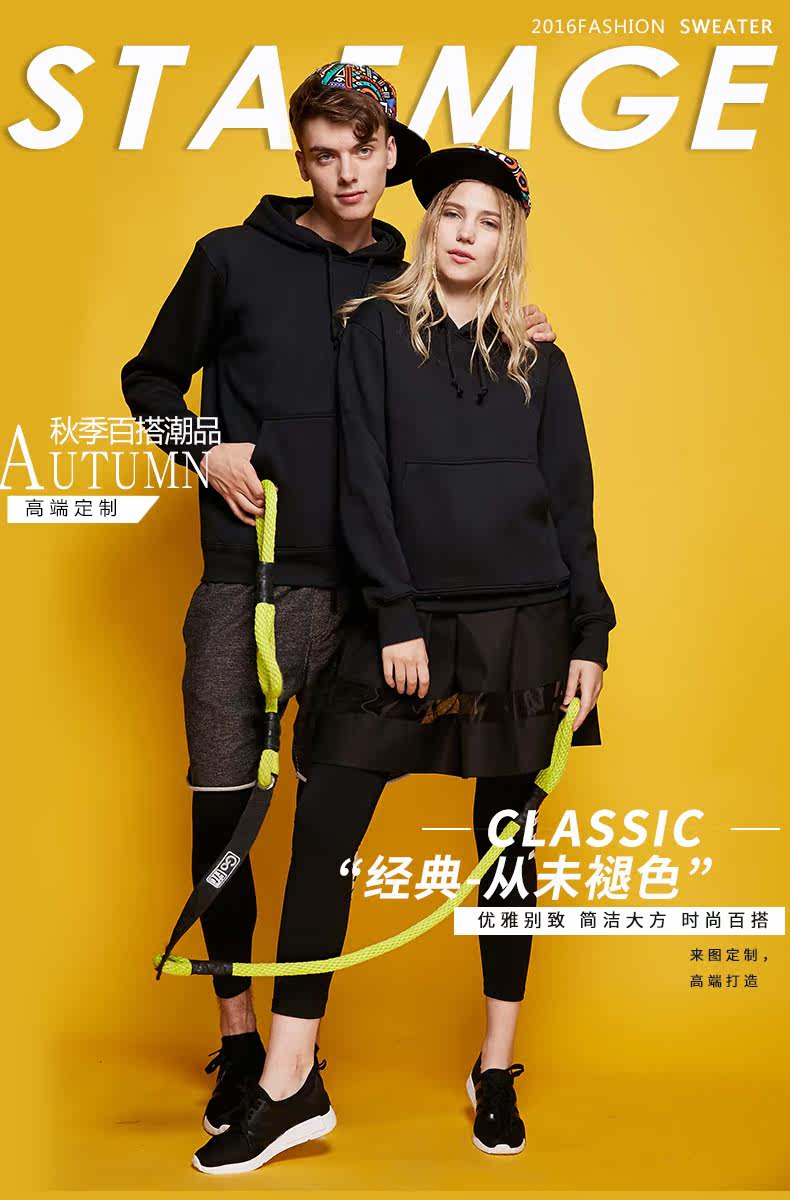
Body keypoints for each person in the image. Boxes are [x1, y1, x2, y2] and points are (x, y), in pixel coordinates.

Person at [121, 64, 557, 1140]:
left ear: (390, 153)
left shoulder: (412, 270)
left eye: (363, 151)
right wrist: (203, 445)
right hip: (252, 580)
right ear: (302, 158)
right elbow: (147, 379)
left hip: (373, 598)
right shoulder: (230, 258)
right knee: (224, 809)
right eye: (324, 154)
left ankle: (295, 1064)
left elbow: (455, 400)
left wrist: (514, 335)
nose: (346, 172)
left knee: (330, 828)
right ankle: (240, 1040)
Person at [191, 145, 615, 1174]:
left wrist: (592, 633)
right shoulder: (374, 331)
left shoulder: (539, 359)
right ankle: (288, 1081)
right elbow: (365, 485)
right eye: (451, 213)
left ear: (510, 241)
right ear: (427, 226)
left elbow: (572, 505)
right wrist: (396, 618)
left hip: (526, 628)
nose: (466, 233)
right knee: (326, 824)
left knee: (506, 847)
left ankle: (496, 1067)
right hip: (409, 623)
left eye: (488, 220)